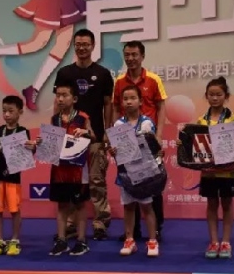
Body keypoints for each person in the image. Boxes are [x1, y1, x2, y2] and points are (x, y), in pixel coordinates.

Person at [54, 28, 114, 241]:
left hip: (94, 137)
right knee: (71, 181)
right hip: (69, 138)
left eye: (85, 44)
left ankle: (100, 222)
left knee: (97, 180)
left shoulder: (103, 74)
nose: (81, 48)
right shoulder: (64, 73)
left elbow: (108, 105)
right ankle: (70, 224)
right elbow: (58, 102)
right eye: (78, 44)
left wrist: (107, 132)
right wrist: (56, 130)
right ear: (74, 46)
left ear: (93, 46)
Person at [112, 41, 167, 241]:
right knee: (129, 182)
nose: (131, 58)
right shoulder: (119, 81)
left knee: (153, 183)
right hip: (126, 142)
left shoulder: (153, 79)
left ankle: (156, 228)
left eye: (134, 54)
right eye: (127, 55)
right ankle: (133, 231)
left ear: (142, 56)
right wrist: (114, 136)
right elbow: (116, 109)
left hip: (148, 139)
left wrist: (158, 136)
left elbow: (161, 107)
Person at [109, 85, 162, 257]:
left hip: (144, 172)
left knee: (147, 207)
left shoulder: (147, 123)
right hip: (126, 173)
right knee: (129, 207)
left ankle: (152, 241)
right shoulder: (118, 124)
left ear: (140, 101)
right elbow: (117, 151)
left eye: (133, 98)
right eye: (125, 99)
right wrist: (113, 151)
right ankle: (130, 240)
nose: (129, 102)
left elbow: (152, 146)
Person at [45, 79, 96, 256]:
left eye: (64, 95)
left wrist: (85, 132)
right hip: (59, 170)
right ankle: (62, 240)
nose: (60, 99)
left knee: (80, 204)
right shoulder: (55, 119)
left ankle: (81, 241)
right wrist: (41, 143)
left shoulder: (83, 117)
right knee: (62, 205)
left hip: (78, 170)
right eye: (58, 95)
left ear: (74, 99)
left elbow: (93, 137)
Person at [0, 95, 31, 256]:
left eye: (10, 111)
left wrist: (32, 146)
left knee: (15, 210)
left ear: (20, 112)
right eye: (4, 111)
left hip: (13, 179)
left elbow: (28, 153)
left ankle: (14, 240)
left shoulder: (23, 132)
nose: (7, 114)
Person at [195, 77, 234, 259]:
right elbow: (196, 145)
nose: (215, 98)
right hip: (208, 172)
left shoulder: (232, 118)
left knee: (227, 204)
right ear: (206, 96)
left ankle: (226, 241)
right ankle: (214, 241)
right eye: (211, 95)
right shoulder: (201, 120)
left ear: (226, 96)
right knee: (212, 205)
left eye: (219, 94)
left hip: (227, 171)